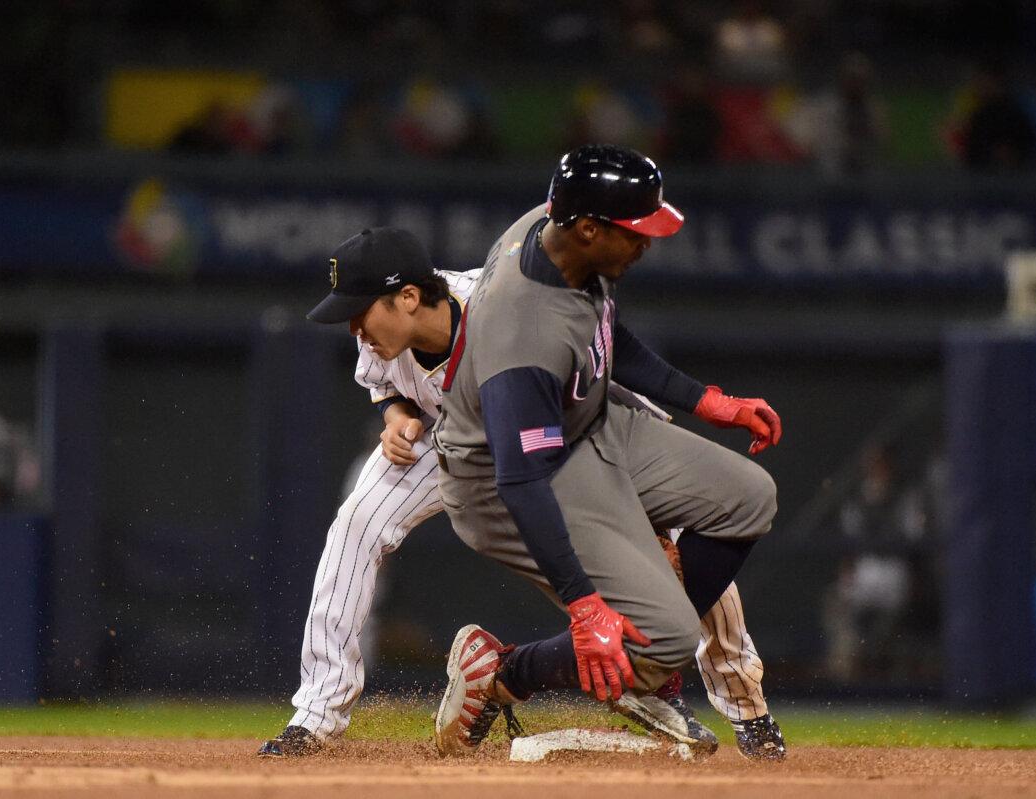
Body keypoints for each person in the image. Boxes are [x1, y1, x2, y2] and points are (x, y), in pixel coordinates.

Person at [259, 225, 782, 759]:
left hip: (549, 432)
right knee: (356, 526)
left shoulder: (505, 304)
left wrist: (704, 403)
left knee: (677, 532)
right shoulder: (381, 328)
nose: (353, 327)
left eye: (359, 311)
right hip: (447, 440)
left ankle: (744, 707)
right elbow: (382, 383)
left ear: (410, 297)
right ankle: (317, 713)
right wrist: (397, 416)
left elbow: (608, 354)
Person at [431, 145, 786, 760]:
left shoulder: (554, 232)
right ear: (590, 228)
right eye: (635, 231)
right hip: (512, 478)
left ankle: (643, 652)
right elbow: (522, 481)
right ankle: (505, 672)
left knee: (750, 497)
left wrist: (706, 401)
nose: (646, 243)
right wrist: (585, 605)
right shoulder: (524, 332)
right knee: (667, 639)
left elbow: (601, 331)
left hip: (588, 426)